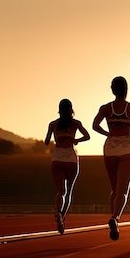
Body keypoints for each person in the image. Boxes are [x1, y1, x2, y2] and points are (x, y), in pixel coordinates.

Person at [92, 76, 130, 241]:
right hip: (127, 147)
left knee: (114, 188)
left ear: (112, 89)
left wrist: (107, 133)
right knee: (123, 189)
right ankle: (115, 218)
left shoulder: (106, 108)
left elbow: (95, 125)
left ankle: (114, 219)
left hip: (110, 147)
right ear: (126, 89)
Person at [44, 99, 91, 234]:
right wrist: (76, 140)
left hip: (57, 159)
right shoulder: (75, 123)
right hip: (70, 158)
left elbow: (47, 141)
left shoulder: (53, 124)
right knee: (69, 191)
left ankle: (57, 210)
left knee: (61, 191)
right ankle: (62, 217)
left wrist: (53, 136)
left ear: (59, 109)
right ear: (71, 110)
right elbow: (87, 136)